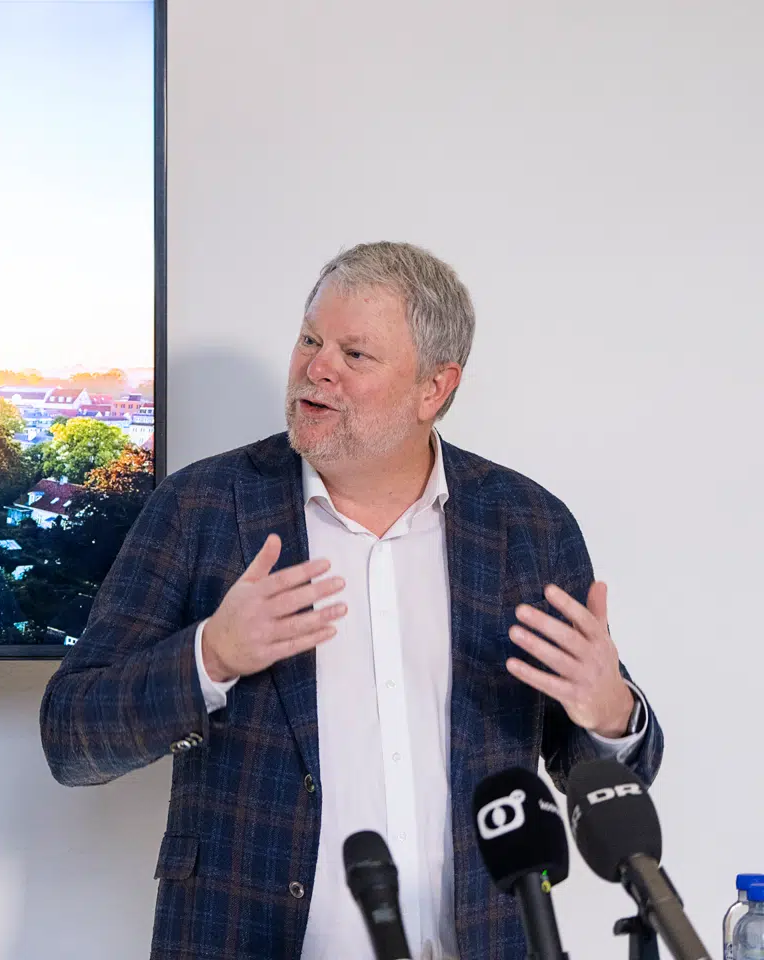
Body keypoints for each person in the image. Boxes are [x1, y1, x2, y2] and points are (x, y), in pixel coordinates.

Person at [39, 242, 663, 960]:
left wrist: (610, 714)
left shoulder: (527, 526)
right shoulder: (202, 508)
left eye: (355, 354)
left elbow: (603, 777)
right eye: (310, 339)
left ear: (434, 388)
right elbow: (70, 739)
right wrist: (210, 656)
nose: (316, 367)